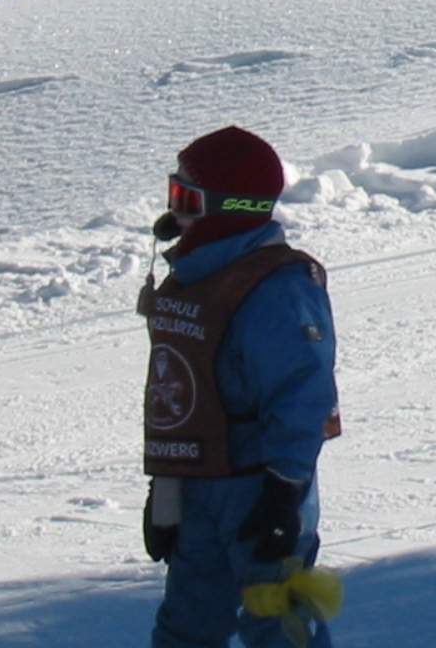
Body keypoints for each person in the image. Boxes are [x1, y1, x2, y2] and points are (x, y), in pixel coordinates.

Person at [140, 125, 341, 648]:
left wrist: (284, 490)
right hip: (197, 484)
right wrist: (165, 489)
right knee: (187, 622)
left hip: (259, 486)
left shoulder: (276, 286)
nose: (175, 213)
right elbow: (177, 396)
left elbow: (303, 394)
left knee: (278, 619)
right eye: (173, 194)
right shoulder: (192, 279)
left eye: (186, 198)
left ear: (228, 208)